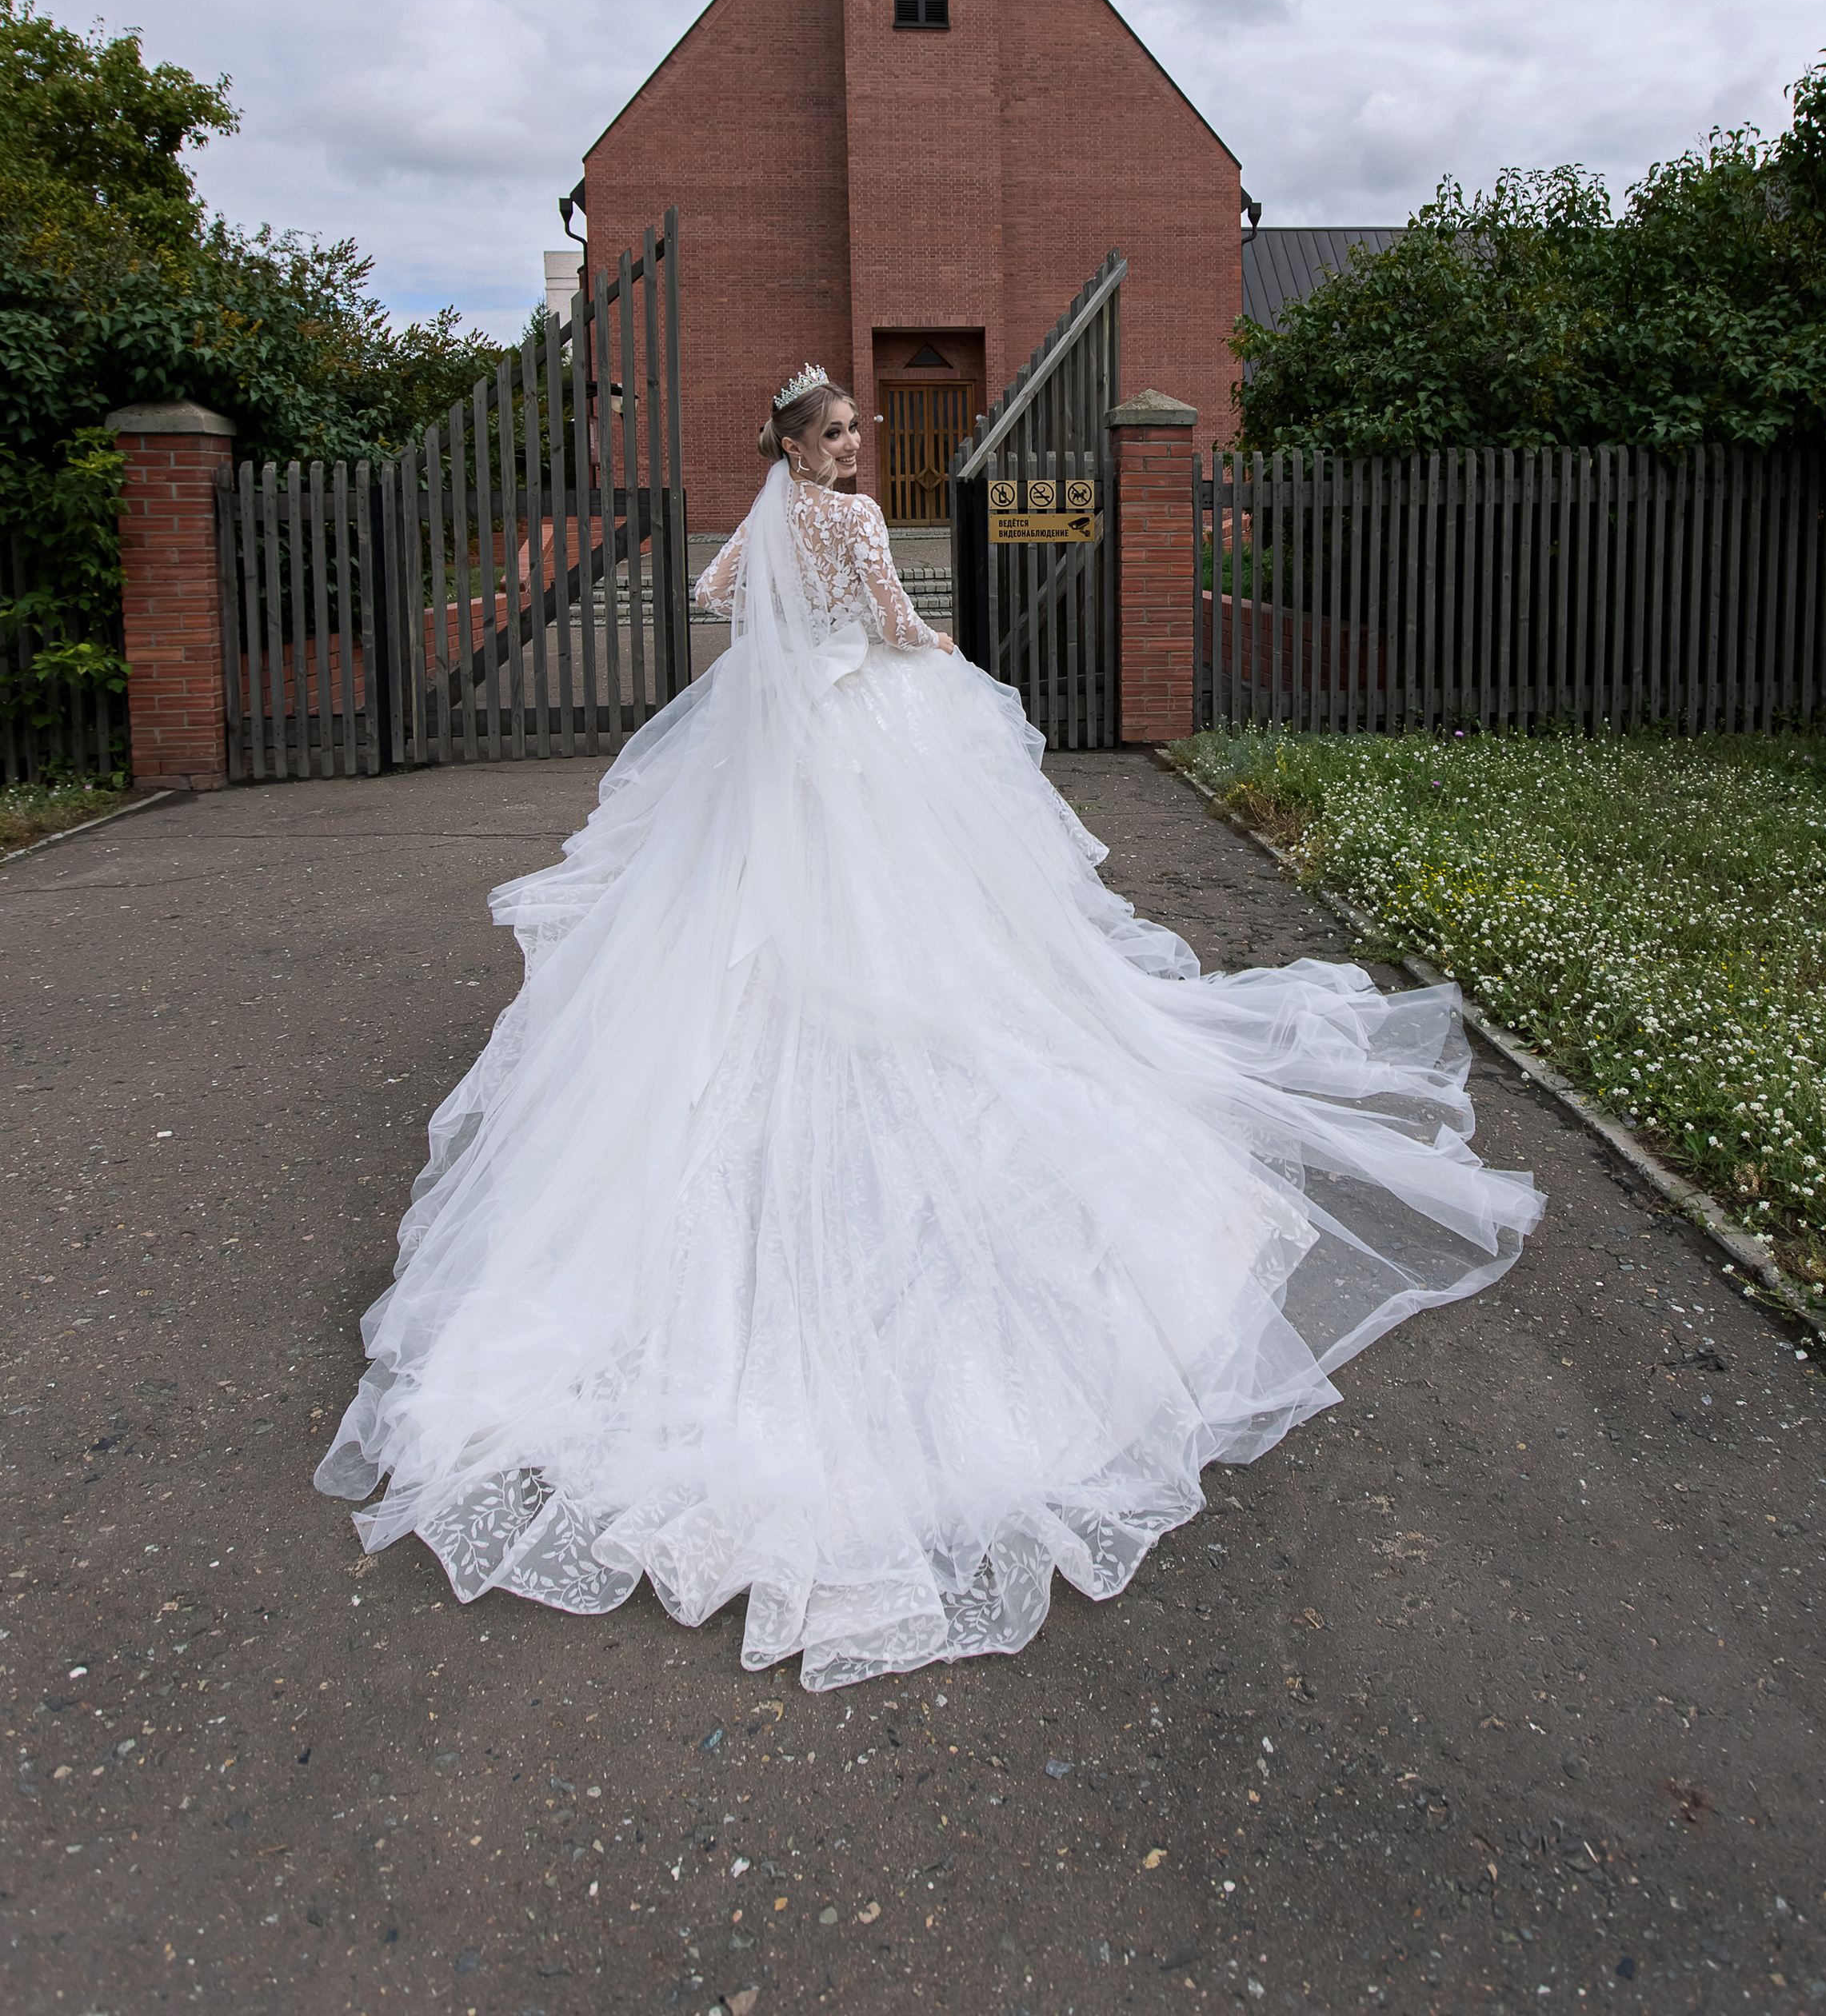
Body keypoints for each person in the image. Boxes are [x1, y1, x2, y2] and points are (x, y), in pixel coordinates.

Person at [317, 362, 1541, 1691]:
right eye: (837, 431)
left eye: (852, 428)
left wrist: (791, 652)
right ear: (801, 440)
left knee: (757, 963)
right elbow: (900, 622)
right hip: (861, 740)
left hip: (775, 756)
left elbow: (711, 594)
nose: (855, 444)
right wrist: (936, 653)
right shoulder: (844, 520)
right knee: (946, 945)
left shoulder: (766, 513)